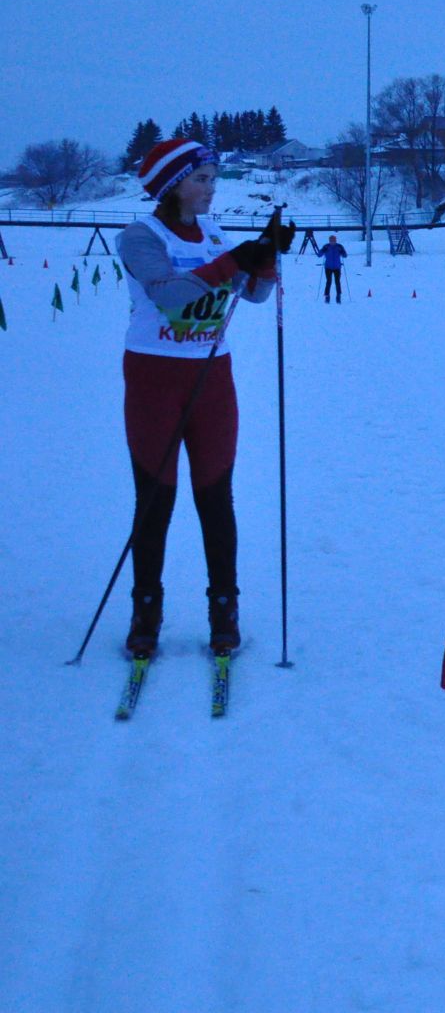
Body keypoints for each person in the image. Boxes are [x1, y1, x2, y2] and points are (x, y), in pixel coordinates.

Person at [115, 138, 289, 657]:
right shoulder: (140, 237)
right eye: (202, 179)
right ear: (173, 186)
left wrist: (263, 258)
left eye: (213, 178)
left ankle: (224, 609)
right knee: (155, 501)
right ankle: (146, 609)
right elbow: (169, 295)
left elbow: (252, 297)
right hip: (154, 378)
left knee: (216, 497)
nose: (212, 188)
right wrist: (232, 260)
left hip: (213, 378)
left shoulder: (214, 232)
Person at [319, 233, 348, 302]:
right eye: (331, 241)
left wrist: (342, 251)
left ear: (335, 241)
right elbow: (319, 254)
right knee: (328, 281)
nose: (332, 242)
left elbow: (345, 255)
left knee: (337, 281)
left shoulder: (339, 246)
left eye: (333, 241)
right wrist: (323, 250)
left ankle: (338, 295)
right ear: (329, 241)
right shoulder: (326, 246)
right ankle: (327, 296)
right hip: (328, 267)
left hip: (337, 267)